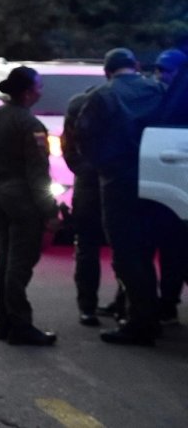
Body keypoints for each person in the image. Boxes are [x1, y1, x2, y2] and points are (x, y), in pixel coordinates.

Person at [76, 47, 166, 345]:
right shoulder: (160, 90)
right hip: (159, 179)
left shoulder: (101, 96)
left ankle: (141, 323)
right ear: (136, 65)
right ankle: (151, 315)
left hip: (118, 182)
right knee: (148, 250)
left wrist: (103, 167)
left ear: (107, 70)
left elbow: (84, 137)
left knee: (127, 254)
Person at [0, 66, 59, 346]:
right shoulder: (30, 125)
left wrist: (3, 170)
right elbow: (38, 174)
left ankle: (6, 324)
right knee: (20, 263)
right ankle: (21, 325)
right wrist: (50, 211)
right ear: (27, 92)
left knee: (6, 258)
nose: (41, 91)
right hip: (22, 197)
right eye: (39, 86)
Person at [61, 87, 108, 327]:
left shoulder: (79, 103)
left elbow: (67, 145)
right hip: (118, 183)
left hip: (87, 184)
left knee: (87, 248)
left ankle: (87, 307)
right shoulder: (125, 101)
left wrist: (82, 169)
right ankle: (125, 305)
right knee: (127, 248)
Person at [149, 48, 188, 325]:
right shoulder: (158, 96)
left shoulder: (174, 99)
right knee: (172, 249)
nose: (162, 76)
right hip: (173, 189)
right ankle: (167, 303)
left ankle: (166, 303)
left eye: (168, 71)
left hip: (175, 188)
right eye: (159, 70)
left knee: (174, 249)